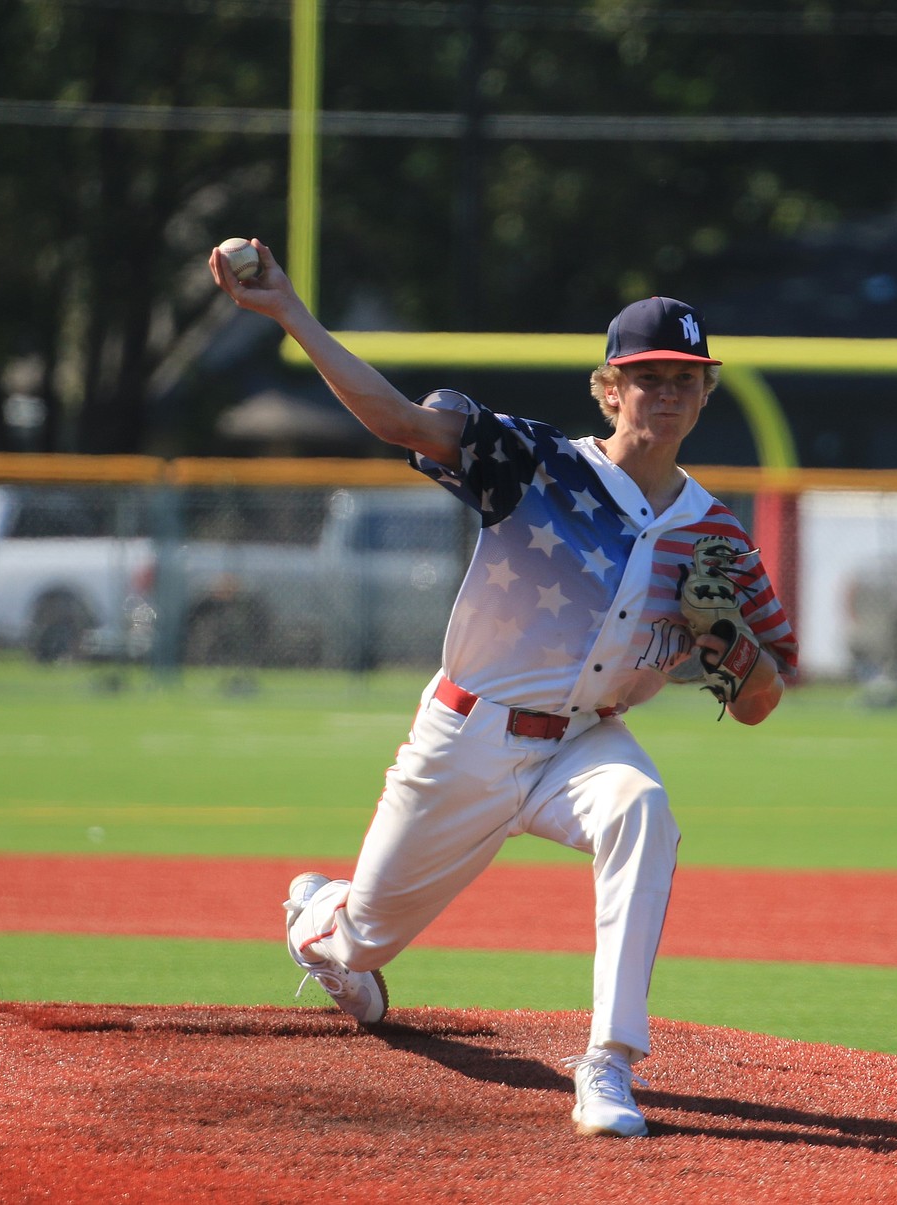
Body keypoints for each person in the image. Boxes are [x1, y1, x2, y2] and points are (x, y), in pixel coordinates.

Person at [209, 239, 798, 1138]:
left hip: (584, 742)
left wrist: (727, 644)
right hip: (468, 736)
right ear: (610, 388)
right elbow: (402, 422)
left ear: (707, 393)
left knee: (642, 807)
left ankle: (608, 1063)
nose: (669, 391)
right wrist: (291, 313)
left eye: (688, 376)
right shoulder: (537, 462)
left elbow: (763, 699)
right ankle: (319, 920)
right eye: (650, 375)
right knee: (362, 945)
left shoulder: (715, 531)